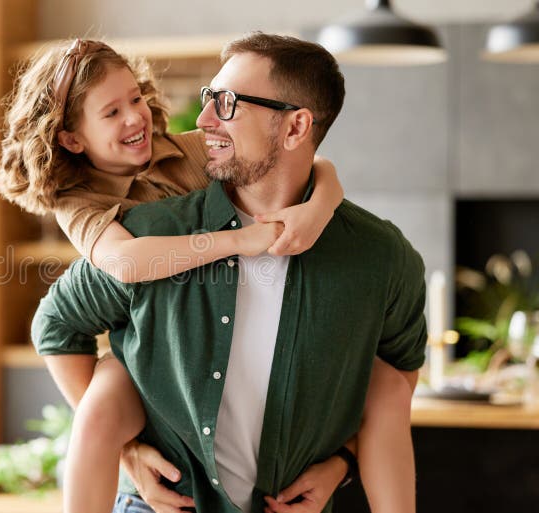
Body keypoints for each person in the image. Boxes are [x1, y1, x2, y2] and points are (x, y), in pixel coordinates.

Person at [30, 32, 427, 513]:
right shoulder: (132, 231)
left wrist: (344, 459)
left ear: (296, 127)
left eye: (226, 102)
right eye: (208, 99)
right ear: (72, 138)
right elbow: (69, 312)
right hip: (164, 500)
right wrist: (129, 454)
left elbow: (394, 379)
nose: (202, 120)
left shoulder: (379, 255)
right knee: (102, 401)